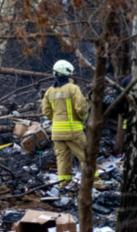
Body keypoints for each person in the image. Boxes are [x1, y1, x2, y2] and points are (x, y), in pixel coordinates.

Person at [42, 60, 105, 190]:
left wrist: (57, 120)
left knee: (62, 159)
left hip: (56, 132)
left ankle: (64, 184)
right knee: (86, 156)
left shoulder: (49, 92)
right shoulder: (73, 88)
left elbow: (46, 111)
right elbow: (81, 108)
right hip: (73, 130)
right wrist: (82, 119)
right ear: (68, 73)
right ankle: (96, 183)